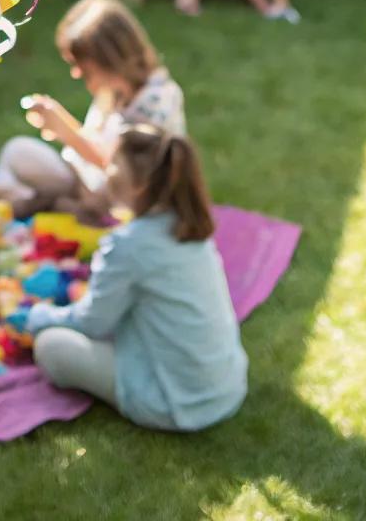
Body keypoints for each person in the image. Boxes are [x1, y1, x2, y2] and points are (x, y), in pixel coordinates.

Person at [28, 124, 248, 432]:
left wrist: (38, 316)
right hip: (225, 389)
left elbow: (93, 323)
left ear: (138, 187)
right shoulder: (190, 228)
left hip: (175, 403)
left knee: (51, 346)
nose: (107, 171)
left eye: (113, 164)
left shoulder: (129, 245)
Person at [0, 0, 186, 219]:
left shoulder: (155, 100)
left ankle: (19, 202)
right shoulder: (114, 91)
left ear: (109, 60)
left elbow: (125, 173)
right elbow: (94, 143)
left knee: (24, 189)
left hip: (125, 198)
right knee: (17, 150)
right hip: (85, 182)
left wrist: (67, 132)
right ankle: (8, 209)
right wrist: (60, 124)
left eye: (82, 67)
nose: (77, 74)